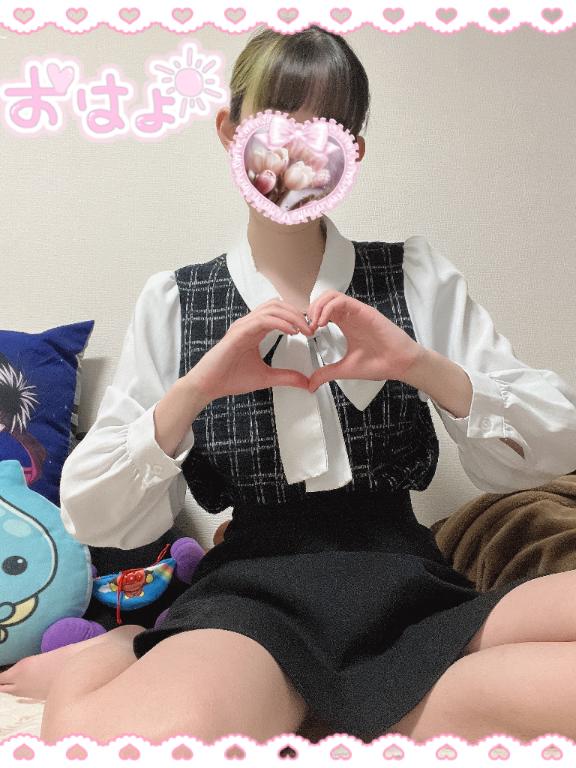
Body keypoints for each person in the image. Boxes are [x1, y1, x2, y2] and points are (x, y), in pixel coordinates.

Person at [3, 25, 576, 747]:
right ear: (229, 129)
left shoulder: (415, 275)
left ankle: (347, 702)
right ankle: (128, 647)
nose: (299, 150)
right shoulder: (176, 300)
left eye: (326, 127)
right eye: (277, 121)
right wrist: (196, 388)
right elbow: (98, 517)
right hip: (254, 593)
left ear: (354, 151)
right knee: (128, 739)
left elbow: (555, 445)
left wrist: (418, 365)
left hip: (407, 586)